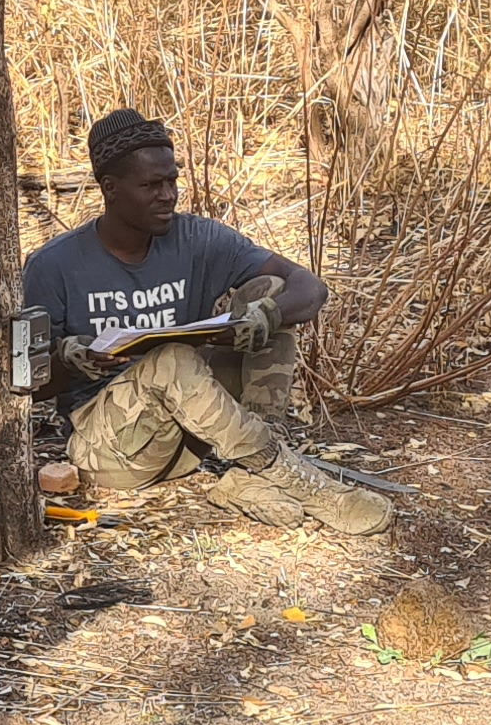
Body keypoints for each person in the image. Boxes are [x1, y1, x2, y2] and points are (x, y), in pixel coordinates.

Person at [21, 108, 388, 533]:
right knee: (171, 359)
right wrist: (71, 359)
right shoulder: (53, 265)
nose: (167, 195)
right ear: (110, 189)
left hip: (198, 427)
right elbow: (26, 386)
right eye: (151, 185)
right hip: (113, 449)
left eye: (172, 181)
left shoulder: (197, 239)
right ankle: (297, 479)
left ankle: (251, 471)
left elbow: (309, 287)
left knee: (267, 291)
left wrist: (267, 315)